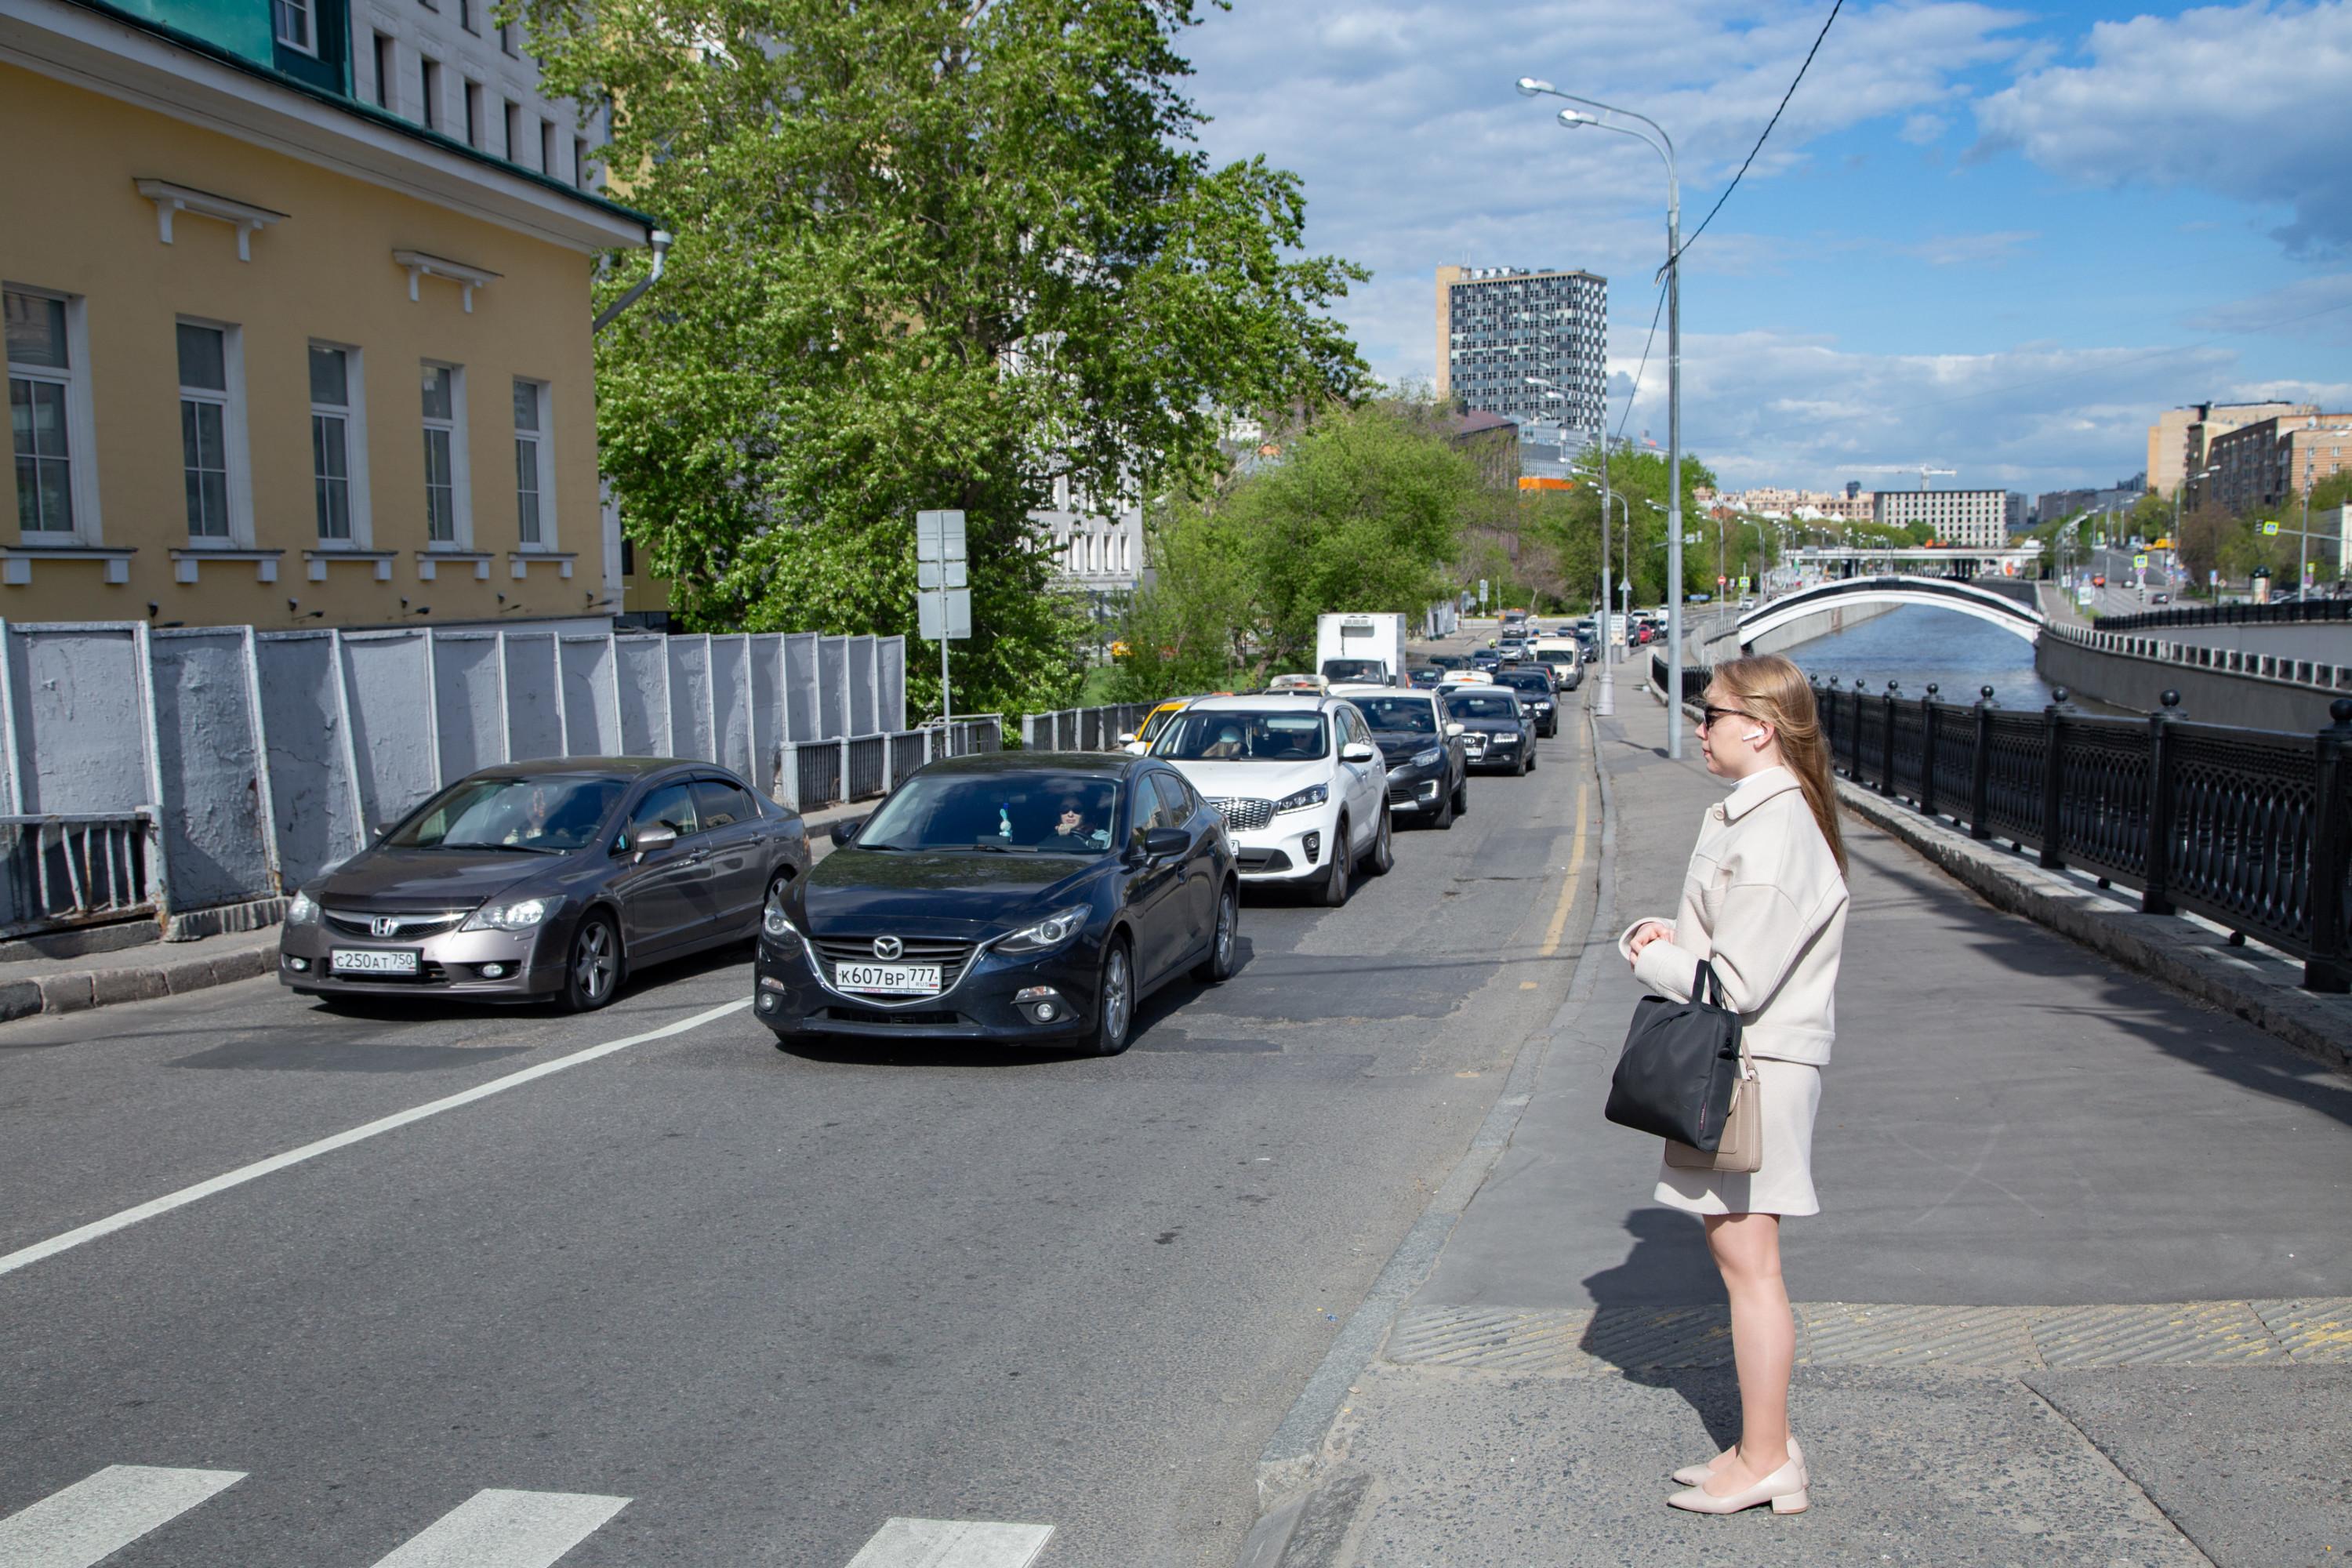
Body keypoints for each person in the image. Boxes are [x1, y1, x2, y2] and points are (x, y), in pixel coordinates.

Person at [1619, 652, 1849, 1518]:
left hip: (1757, 1070)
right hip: (1741, 1065)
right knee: (1739, 1258)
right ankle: (1764, 1442)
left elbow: (1738, 982)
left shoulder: (1775, 828)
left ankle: (1765, 1459)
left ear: (1759, 726)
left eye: (1710, 712)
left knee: (1750, 1265)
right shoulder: (1755, 817)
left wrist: (1654, 956)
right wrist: (1674, 936)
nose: (1698, 725)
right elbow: (1729, 947)